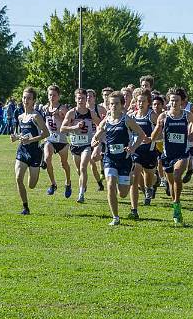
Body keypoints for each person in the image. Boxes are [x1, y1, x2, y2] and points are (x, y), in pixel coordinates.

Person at [92, 91, 148, 225]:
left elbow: (141, 134)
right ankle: (115, 218)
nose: (114, 106)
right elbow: (96, 136)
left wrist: (133, 148)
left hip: (125, 160)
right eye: (111, 104)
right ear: (108, 105)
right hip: (109, 158)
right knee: (110, 184)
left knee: (122, 193)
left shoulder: (127, 120)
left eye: (116, 103)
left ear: (122, 104)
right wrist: (95, 143)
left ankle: (130, 179)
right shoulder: (106, 121)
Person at [150, 87, 193, 224]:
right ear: (168, 101)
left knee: (177, 175)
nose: (174, 103)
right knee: (171, 183)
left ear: (181, 102)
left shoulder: (186, 115)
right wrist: (158, 127)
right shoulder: (163, 116)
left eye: (177, 100)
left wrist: (191, 134)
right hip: (167, 155)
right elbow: (154, 137)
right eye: (172, 100)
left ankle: (177, 203)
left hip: (182, 154)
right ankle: (175, 205)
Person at [11, 87, 49, 215]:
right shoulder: (21, 116)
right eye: (24, 97)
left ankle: (39, 161)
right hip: (22, 151)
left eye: (28, 98)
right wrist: (15, 137)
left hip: (35, 153)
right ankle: (25, 207)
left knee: (31, 185)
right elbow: (22, 133)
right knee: (18, 178)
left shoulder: (36, 116)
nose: (25, 100)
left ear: (33, 101)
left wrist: (32, 140)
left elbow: (46, 133)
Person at [60, 88, 102, 203]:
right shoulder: (71, 113)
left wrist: (96, 136)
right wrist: (74, 127)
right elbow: (62, 128)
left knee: (83, 167)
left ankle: (81, 194)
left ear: (86, 99)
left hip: (86, 145)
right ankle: (83, 184)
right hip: (74, 145)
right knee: (79, 170)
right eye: (79, 98)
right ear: (75, 99)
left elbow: (100, 125)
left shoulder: (90, 113)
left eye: (83, 98)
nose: (81, 100)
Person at [42, 85, 72, 198]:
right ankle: (53, 184)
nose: (52, 97)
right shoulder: (45, 108)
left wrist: (61, 117)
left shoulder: (62, 108)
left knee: (64, 164)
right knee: (47, 158)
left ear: (58, 96)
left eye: (54, 95)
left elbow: (70, 123)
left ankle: (68, 182)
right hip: (50, 139)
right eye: (50, 95)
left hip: (62, 140)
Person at [130, 89, 158, 209]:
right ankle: (135, 204)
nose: (140, 103)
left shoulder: (152, 115)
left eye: (143, 101)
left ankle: (149, 188)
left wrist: (152, 138)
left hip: (150, 152)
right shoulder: (132, 116)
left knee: (148, 176)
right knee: (136, 173)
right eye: (138, 101)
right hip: (136, 151)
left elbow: (161, 131)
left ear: (148, 102)